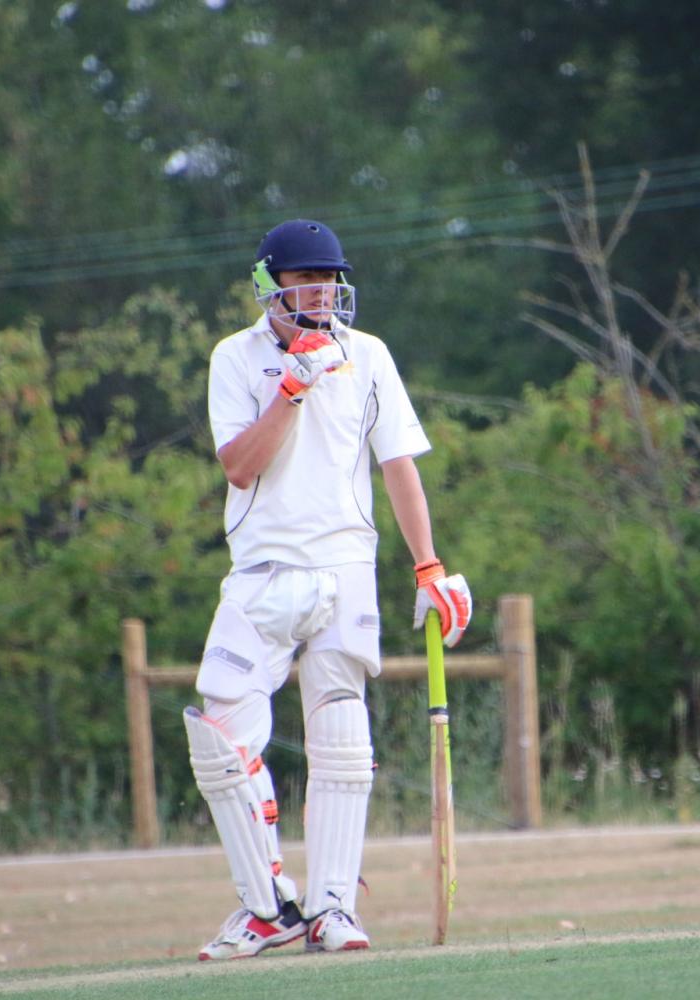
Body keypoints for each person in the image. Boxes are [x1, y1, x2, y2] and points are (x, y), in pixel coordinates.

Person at [185, 219, 472, 959]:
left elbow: (399, 464)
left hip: (346, 571)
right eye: (303, 284)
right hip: (262, 570)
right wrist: (289, 391)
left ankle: (333, 909)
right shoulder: (234, 358)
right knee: (220, 735)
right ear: (269, 287)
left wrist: (429, 565)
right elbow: (240, 467)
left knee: (343, 744)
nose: (318, 297)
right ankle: (266, 908)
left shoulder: (368, 355)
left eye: (327, 284)